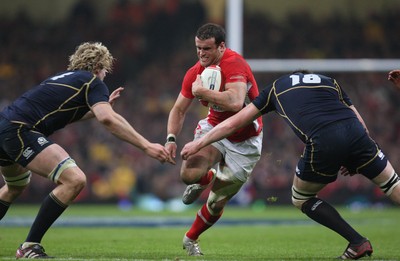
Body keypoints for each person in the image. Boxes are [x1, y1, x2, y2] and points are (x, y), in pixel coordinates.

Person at [181, 70, 400, 260]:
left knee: (301, 198)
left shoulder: (277, 87)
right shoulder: (330, 82)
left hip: (324, 140)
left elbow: (234, 122)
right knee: (393, 186)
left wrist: (199, 142)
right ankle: (357, 242)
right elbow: (361, 123)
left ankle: (357, 242)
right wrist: (354, 159)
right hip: (358, 137)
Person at [0, 42, 173, 259]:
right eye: (105, 71)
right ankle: (29, 246)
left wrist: (99, 107)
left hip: (5, 127)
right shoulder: (92, 82)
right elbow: (108, 119)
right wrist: (147, 145)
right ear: (100, 66)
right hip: (19, 130)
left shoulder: (64, 78)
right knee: (74, 180)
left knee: (14, 187)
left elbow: (64, 114)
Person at [165, 23, 263, 256]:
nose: (201, 54)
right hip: (215, 128)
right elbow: (178, 110)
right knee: (187, 174)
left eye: (207, 49)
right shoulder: (195, 72)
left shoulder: (234, 63)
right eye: (198, 48)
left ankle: (191, 238)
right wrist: (170, 138)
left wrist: (202, 92)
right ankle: (204, 177)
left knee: (216, 202)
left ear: (221, 46)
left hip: (245, 139)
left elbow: (235, 102)